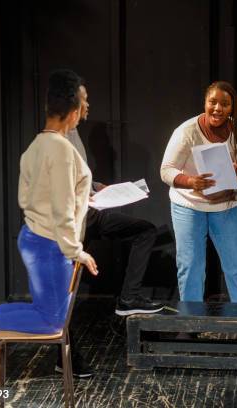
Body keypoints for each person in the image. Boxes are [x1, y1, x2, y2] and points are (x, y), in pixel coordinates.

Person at [0, 69, 99, 359]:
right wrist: (76, 251)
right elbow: (62, 210)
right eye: (85, 100)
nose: (87, 108)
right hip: (50, 245)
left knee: (44, 311)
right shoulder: (62, 150)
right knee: (51, 321)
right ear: (73, 108)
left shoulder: (35, 146)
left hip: (35, 238)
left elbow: (28, 198)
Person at [58, 84, 164, 378]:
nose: (89, 105)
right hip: (71, 225)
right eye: (85, 99)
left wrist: (95, 188)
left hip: (90, 215)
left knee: (145, 231)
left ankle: (129, 298)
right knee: (66, 294)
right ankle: (64, 356)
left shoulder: (74, 132)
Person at [160, 81, 237, 303]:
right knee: (191, 266)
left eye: (225, 104)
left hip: (226, 206)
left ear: (232, 107)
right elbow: (166, 171)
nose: (217, 108)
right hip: (189, 205)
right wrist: (190, 181)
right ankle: (191, 323)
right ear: (205, 103)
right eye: (212, 102)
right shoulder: (186, 131)